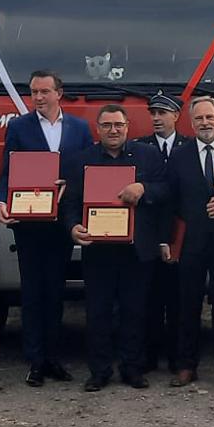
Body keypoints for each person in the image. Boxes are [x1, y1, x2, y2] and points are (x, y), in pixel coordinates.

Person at [0, 70, 94, 387]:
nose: (37, 97)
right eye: (33, 91)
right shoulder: (19, 127)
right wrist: (1, 201)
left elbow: (87, 167)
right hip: (29, 222)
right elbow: (8, 170)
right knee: (32, 293)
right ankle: (35, 361)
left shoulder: (78, 128)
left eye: (44, 91)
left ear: (58, 93)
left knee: (55, 292)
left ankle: (53, 357)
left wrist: (73, 184)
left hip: (62, 221)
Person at [63, 104, 168, 390]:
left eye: (118, 125)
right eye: (107, 125)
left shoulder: (148, 155)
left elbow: (166, 189)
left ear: (127, 127)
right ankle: (99, 371)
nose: (113, 130)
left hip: (137, 249)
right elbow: (70, 202)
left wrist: (143, 188)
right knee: (98, 312)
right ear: (98, 129)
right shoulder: (81, 160)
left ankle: (132, 368)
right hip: (98, 250)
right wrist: (73, 227)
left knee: (134, 311)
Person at [164, 96, 214, 386]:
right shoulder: (179, 155)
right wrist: (166, 240)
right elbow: (170, 200)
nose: (205, 123)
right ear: (191, 122)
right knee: (187, 304)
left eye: (210, 117)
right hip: (190, 241)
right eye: (199, 119)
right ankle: (186, 365)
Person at [137, 91, 185, 376]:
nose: (156, 118)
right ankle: (149, 356)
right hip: (147, 233)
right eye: (153, 113)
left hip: (180, 232)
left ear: (176, 116)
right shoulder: (140, 148)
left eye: (163, 113)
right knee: (149, 298)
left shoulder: (187, 147)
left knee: (178, 299)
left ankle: (177, 357)